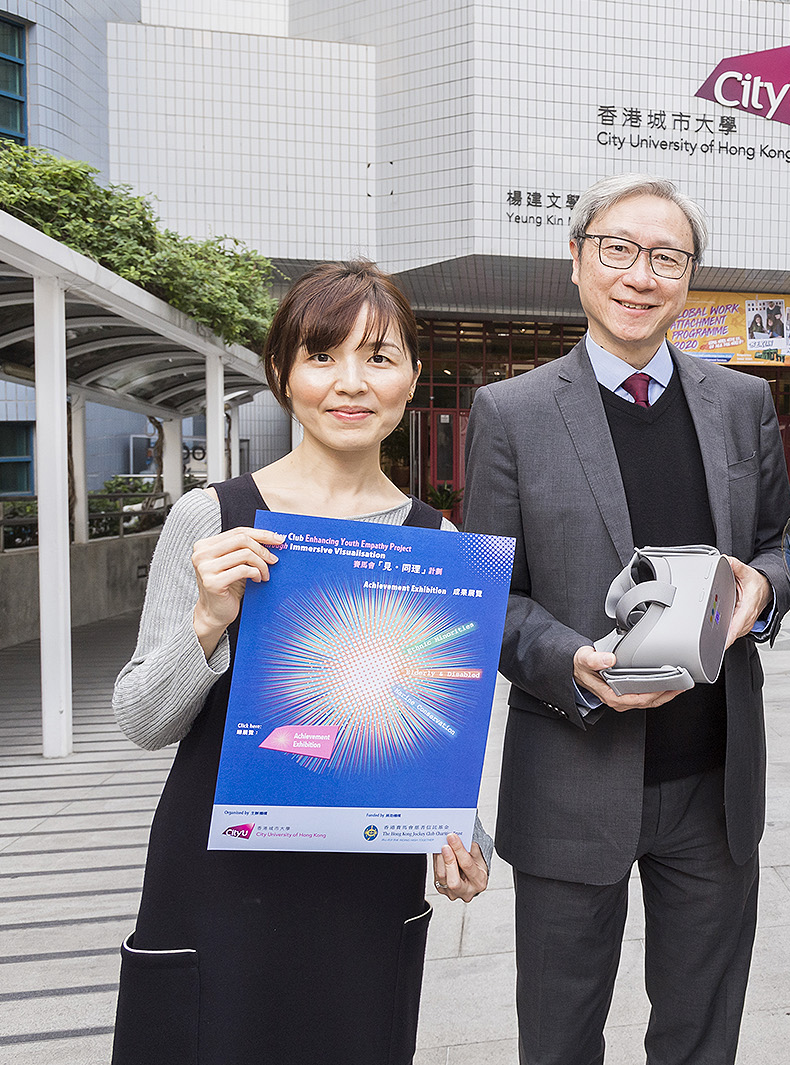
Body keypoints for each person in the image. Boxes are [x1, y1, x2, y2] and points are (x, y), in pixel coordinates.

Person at [110, 260, 490, 1065]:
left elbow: (428, 731)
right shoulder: (214, 516)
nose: (350, 383)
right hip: (215, 877)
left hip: (361, 887)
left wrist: (462, 833)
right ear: (283, 373)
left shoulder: (438, 546)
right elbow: (143, 718)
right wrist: (209, 620)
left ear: (413, 378)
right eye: (322, 356)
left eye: (379, 357)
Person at [462, 174, 790, 1065]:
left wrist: (761, 593)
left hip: (714, 779)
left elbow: (776, 545)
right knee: (561, 1036)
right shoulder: (512, 413)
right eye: (619, 249)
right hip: (574, 774)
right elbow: (488, 593)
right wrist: (568, 658)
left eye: (667, 257)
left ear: (690, 277)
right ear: (576, 260)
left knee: (700, 1033)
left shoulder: (741, 402)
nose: (641, 275)